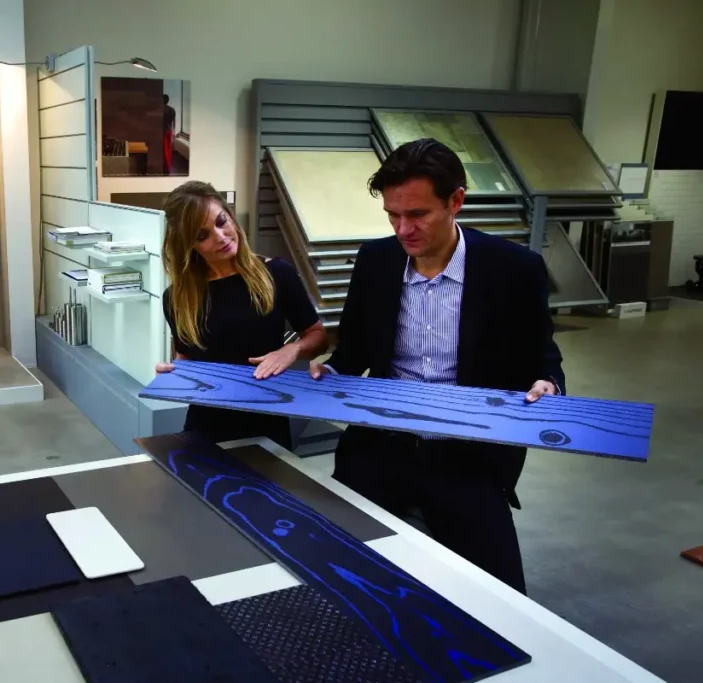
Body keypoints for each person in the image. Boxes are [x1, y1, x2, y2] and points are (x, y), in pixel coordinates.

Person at [310, 138, 564, 593]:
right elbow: (353, 351)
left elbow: (543, 357)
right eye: (392, 215)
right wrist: (330, 372)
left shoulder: (515, 270)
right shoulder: (375, 261)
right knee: (333, 574)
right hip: (381, 445)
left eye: (417, 214)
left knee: (499, 597)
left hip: (466, 452)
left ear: (456, 201)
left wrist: (548, 384)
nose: (402, 229)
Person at [157, 180, 328, 450]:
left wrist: (292, 349)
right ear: (189, 246)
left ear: (230, 216)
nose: (220, 237)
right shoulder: (177, 298)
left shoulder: (277, 274)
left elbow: (319, 337)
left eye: (221, 222)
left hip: (266, 423)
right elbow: (186, 357)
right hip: (205, 426)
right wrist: (172, 373)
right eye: (202, 236)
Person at [162, 94, 176, 174]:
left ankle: (165, 168)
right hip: (169, 131)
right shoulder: (172, 110)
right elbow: (174, 122)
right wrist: (173, 131)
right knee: (169, 150)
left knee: (164, 150)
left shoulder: (161, 109)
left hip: (163, 131)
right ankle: (168, 167)